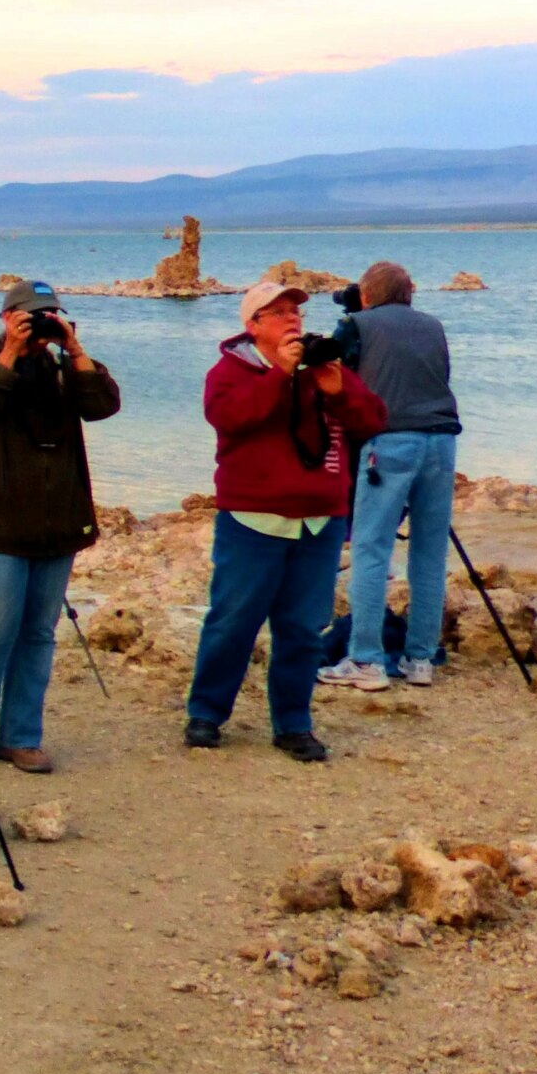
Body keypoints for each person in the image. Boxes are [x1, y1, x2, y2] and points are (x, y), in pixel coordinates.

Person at [184, 281, 388, 762]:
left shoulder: (324, 365)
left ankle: (294, 723)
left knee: (303, 628)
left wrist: (338, 391)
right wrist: (280, 373)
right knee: (233, 622)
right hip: (253, 521)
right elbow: (231, 418)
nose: (291, 319)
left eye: (295, 311)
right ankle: (206, 715)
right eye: (276, 313)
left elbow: (373, 420)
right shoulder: (229, 371)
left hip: (319, 523)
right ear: (252, 326)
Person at [0, 279, 121, 774]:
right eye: (33, 317)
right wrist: (12, 353)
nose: (42, 326)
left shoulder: (65, 367)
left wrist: (76, 351)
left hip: (56, 526)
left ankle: (21, 738)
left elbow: (104, 405)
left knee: (38, 636)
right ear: (8, 317)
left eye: (51, 316)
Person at [320, 262, 459, 690]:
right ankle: (420, 659)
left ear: (365, 295)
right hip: (442, 440)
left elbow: (336, 379)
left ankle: (365, 660)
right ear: (409, 294)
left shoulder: (356, 324)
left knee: (370, 550)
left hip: (390, 442)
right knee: (430, 554)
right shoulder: (433, 326)